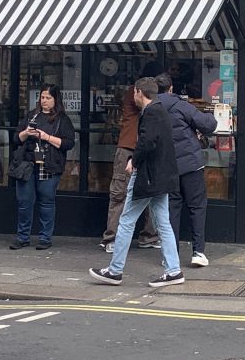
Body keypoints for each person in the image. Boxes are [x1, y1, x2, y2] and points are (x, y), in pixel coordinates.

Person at [89, 77, 184, 287]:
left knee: (126, 221)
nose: (133, 96)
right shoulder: (160, 110)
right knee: (164, 223)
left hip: (148, 177)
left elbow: (147, 142)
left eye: (134, 92)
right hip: (161, 177)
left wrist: (134, 161)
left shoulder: (151, 112)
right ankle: (173, 270)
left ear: (139, 92)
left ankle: (115, 271)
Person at [155, 73, 217, 267]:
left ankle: (170, 255)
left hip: (167, 167)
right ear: (171, 88)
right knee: (197, 207)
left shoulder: (151, 109)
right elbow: (208, 125)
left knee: (171, 209)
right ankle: (198, 252)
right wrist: (211, 115)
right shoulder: (181, 105)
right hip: (190, 165)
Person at [99, 62, 161, 253]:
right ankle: (114, 237)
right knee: (122, 193)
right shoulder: (135, 93)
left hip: (135, 146)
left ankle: (144, 236)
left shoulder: (143, 96)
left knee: (143, 193)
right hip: (130, 147)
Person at [10, 84, 76, 250]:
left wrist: (46, 137)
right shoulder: (32, 115)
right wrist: (26, 133)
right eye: (42, 97)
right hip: (28, 163)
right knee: (24, 202)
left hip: (49, 164)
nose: (44, 101)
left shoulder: (62, 119)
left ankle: (45, 238)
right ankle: (22, 237)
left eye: (48, 98)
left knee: (46, 202)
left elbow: (68, 143)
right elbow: (16, 139)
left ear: (56, 99)